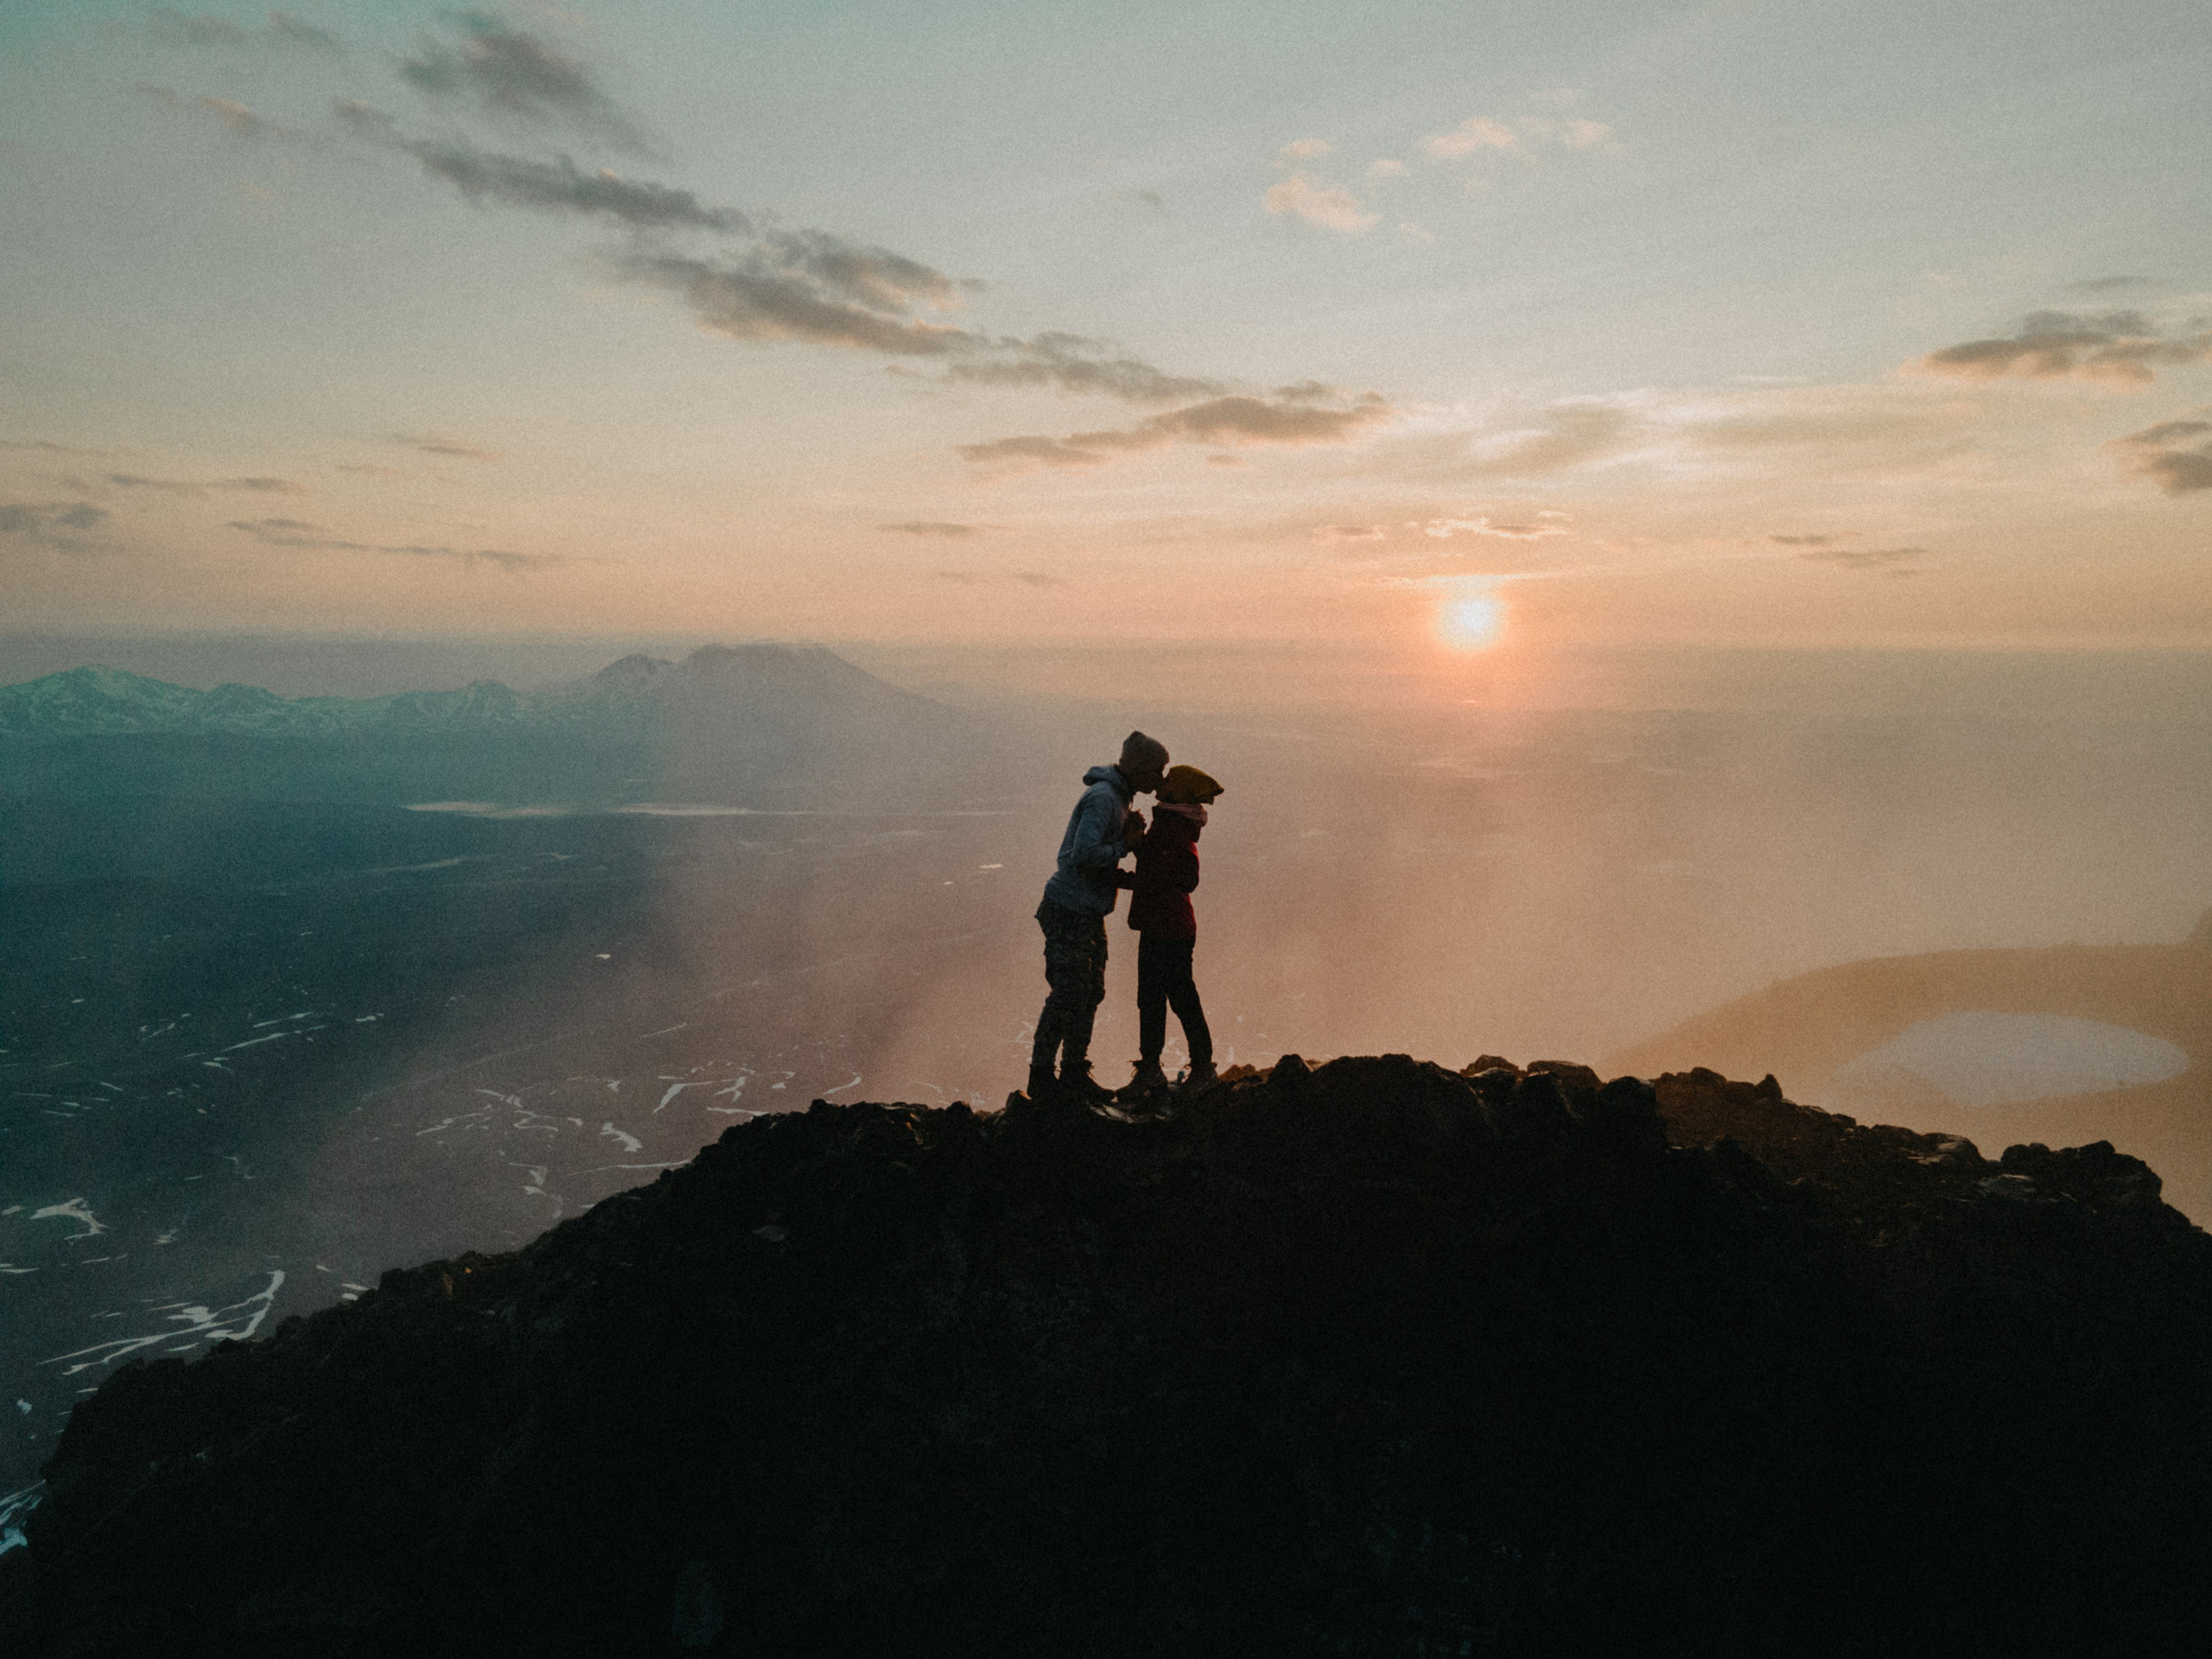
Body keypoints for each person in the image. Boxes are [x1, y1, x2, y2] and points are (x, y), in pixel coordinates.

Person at [1029, 730, 1168, 1103]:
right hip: (1070, 909)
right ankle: (1042, 1076)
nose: (1160, 780)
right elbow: (1084, 854)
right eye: (1157, 771)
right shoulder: (1105, 798)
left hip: (1084, 909)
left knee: (1089, 991)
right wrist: (1127, 844)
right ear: (1140, 770)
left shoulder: (1115, 798)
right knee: (1070, 992)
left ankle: (1072, 1072)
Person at [1119, 764, 1222, 1099]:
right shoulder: (1174, 828)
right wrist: (1140, 849)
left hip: (1167, 927)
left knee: (1166, 998)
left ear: (1174, 794)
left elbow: (1176, 877)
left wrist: (1121, 877)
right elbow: (1169, 873)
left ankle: (1180, 1069)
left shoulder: (1172, 830)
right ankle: (1176, 1068)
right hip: (1169, 924)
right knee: (1170, 998)